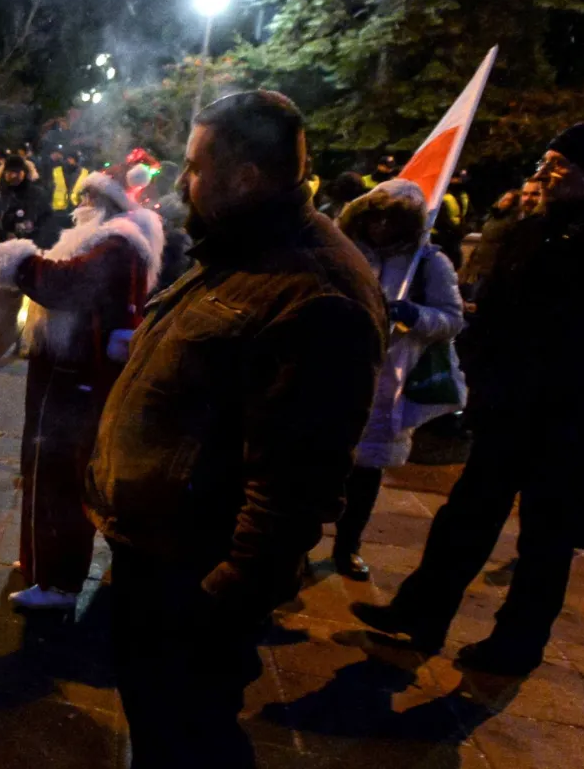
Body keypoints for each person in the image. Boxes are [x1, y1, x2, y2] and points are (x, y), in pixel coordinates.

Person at [87, 91, 386, 768]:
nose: (182, 181)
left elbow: (296, 482)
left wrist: (221, 602)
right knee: (160, 728)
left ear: (245, 176)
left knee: (191, 738)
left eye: (194, 166)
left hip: (193, 580)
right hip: (156, 553)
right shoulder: (242, 248)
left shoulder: (317, 292)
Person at [353, 116, 584, 676]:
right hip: (511, 408)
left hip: (576, 423)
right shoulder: (535, 230)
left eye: (558, 167)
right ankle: (421, 612)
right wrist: (480, 381)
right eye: (546, 165)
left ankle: (516, 645)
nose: (545, 176)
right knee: (467, 517)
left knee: (546, 542)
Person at [0, 171, 164, 610]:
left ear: (107, 203)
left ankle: (58, 581)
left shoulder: (115, 244)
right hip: (75, 375)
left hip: (75, 379)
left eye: (89, 195)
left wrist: (13, 260)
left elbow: (64, 283)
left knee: (57, 478)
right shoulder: (115, 241)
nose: (79, 202)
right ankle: (44, 565)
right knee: (51, 473)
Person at [330, 179, 467, 580]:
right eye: (376, 216)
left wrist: (414, 315)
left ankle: (347, 544)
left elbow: (453, 319)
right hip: (338, 368)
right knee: (320, 461)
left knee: (366, 468)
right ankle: (301, 543)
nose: (382, 226)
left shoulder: (428, 263)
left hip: (389, 376)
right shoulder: (344, 251)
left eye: (392, 219)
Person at [0, 155, 55, 247]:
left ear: (24, 173)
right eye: (10, 172)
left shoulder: (36, 193)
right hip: (5, 246)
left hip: (32, 245)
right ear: (4, 173)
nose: (13, 176)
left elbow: (47, 219)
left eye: (17, 172)